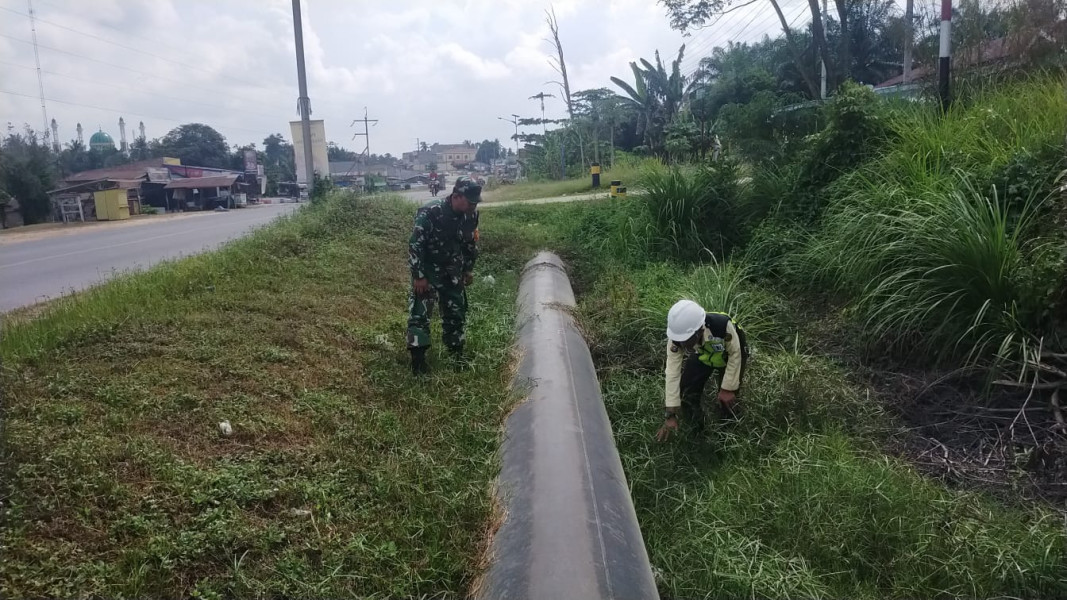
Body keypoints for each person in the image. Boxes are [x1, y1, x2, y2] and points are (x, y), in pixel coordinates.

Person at [406, 176, 481, 374]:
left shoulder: (470, 215)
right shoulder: (431, 212)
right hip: (428, 270)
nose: (473, 206)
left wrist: (468, 269)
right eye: (470, 202)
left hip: (452, 270)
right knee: (420, 314)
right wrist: (419, 276)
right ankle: (418, 363)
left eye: (475, 203)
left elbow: (469, 243)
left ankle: (457, 355)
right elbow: (415, 245)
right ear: (456, 196)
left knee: (456, 312)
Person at [656, 299, 750, 441]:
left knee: (727, 399)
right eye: (680, 340)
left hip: (730, 353)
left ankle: (728, 434)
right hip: (704, 354)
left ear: (700, 330)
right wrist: (670, 414)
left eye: (686, 340)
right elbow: (672, 373)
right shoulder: (677, 337)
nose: (682, 344)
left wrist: (728, 388)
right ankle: (697, 432)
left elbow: (736, 354)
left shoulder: (721, 326)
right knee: (687, 392)